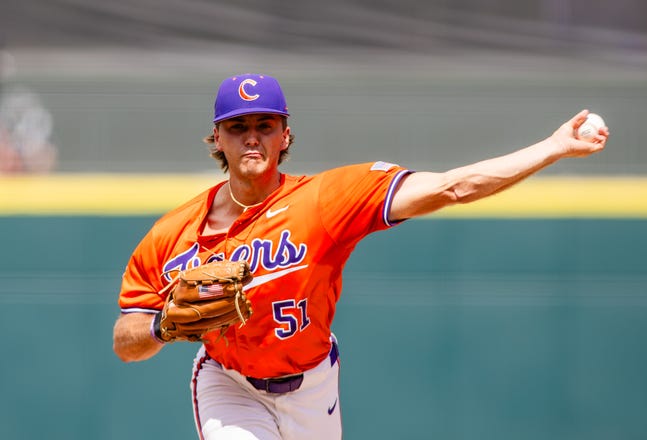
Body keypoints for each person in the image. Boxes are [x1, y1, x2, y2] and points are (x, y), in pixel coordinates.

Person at [112, 73, 609, 440]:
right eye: (237, 125)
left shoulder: (326, 200)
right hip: (229, 383)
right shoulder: (172, 234)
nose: (251, 136)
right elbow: (125, 338)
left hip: (311, 384)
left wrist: (552, 147)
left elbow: (453, 187)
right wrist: (163, 328)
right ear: (216, 137)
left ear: (285, 135)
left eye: (265, 124)